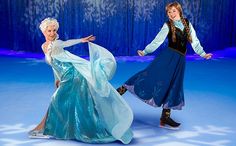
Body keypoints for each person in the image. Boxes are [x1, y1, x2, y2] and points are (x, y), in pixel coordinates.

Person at [28, 18, 133, 144]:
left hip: (73, 75)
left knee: (57, 100)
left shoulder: (56, 43)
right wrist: (57, 79)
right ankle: (55, 129)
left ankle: (44, 129)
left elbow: (66, 43)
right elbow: (54, 65)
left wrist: (81, 40)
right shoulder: (44, 46)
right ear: (43, 32)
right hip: (65, 76)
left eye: (54, 30)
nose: (52, 33)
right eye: (49, 30)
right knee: (68, 102)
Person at [116, 1, 212, 129]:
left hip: (180, 60)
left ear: (179, 11)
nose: (171, 14)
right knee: (150, 76)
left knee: (173, 85)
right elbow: (157, 41)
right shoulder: (167, 25)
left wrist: (203, 54)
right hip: (167, 57)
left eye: (174, 11)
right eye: (169, 12)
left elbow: (194, 41)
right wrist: (145, 51)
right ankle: (121, 90)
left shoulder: (187, 24)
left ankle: (165, 117)